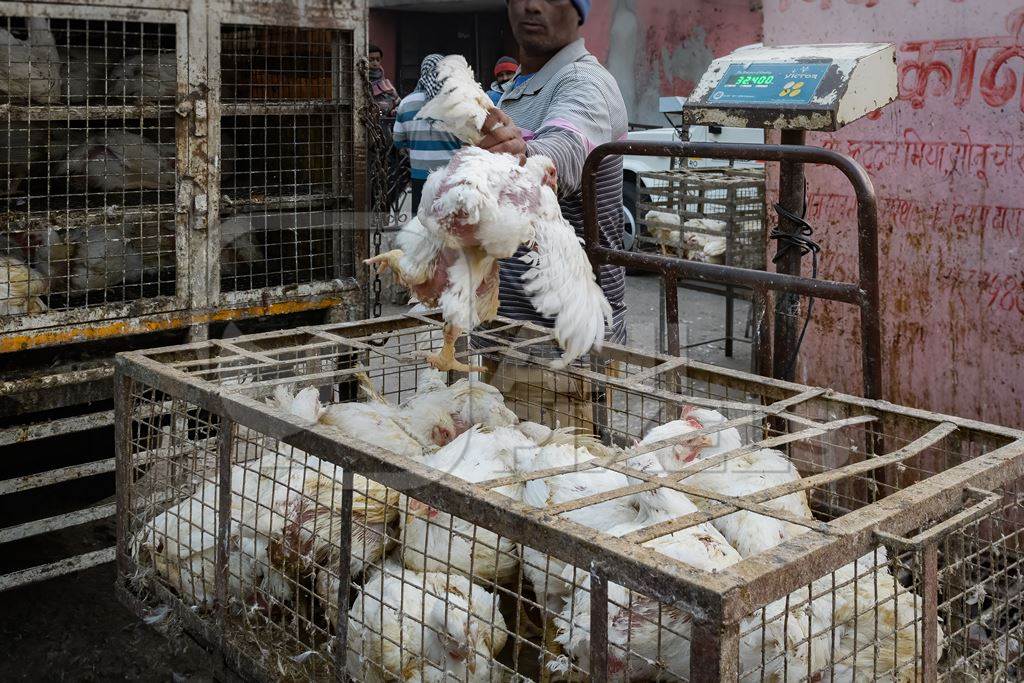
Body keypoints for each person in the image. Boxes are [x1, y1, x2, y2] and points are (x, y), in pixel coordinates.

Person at [478, 0, 628, 429]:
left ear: (579, 10)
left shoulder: (584, 82)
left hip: (559, 345)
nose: (532, 5)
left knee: (550, 480)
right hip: (508, 329)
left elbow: (566, 148)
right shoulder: (521, 85)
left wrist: (529, 156)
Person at [392, 55, 463, 214]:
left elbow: (397, 140)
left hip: (419, 175)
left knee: (420, 224)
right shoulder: (457, 103)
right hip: (451, 177)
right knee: (450, 224)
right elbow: (468, 142)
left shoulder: (406, 103)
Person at [367, 43, 400, 115]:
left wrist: (394, 111)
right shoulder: (361, 82)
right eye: (371, 60)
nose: (375, 63)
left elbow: (398, 102)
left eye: (378, 60)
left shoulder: (386, 83)